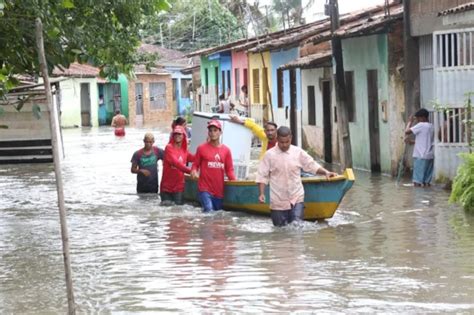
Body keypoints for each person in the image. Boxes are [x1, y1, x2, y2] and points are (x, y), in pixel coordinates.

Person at [256, 126, 337, 227]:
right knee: (280, 231)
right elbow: (262, 176)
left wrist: (326, 172)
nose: (284, 145)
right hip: (278, 200)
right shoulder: (269, 155)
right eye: (282, 142)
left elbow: (311, 165)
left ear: (291, 138)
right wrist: (261, 194)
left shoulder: (298, 152)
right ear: (277, 139)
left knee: (297, 227)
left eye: (287, 142)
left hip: (296, 197)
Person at [190, 119, 236, 212]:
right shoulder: (201, 148)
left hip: (219, 191)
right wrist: (194, 171)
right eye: (210, 131)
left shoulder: (226, 150)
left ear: (220, 132)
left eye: (215, 130)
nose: (212, 133)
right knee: (208, 210)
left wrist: (235, 183)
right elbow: (195, 165)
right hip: (204, 189)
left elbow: (229, 170)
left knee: (216, 216)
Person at [160, 126, 195, 205]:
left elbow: (195, 158)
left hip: (179, 188)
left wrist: (205, 148)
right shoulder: (169, 148)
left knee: (178, 212)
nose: (177, 136)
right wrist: (191, 172)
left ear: (183, 136)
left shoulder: (184, 151)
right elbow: (177, 164)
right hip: (166, 188)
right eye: (175, 134)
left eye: (179, 134)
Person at [405, 108, 434, 187]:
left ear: (423, 117)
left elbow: (407, 131)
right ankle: (427, 197)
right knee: (426, 182)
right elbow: (426, 141)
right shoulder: (431, 126)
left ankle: (419, 198)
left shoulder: (421, 125)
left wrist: (410, 121)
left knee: (417, 182)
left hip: (420, 156)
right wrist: (412, 142)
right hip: (430, 156)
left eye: (418, 118)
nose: (417, 120)